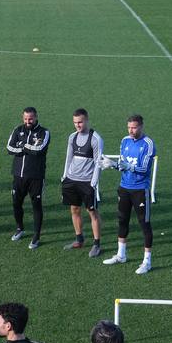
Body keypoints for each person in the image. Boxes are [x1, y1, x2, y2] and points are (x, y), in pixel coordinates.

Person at [101, 115, 156, 274]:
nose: (131, 131)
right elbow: (123, 165)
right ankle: (121, 254)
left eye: (134, 127)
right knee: (122, 220)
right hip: (124, 187)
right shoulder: (125, 141)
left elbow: (144, 169)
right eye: (129, 127)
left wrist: (126, 166)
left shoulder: (148, 144)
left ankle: (147, 262)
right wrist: (112, 165)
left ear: (141, 126)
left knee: (144, 224)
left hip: (140, 189)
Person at [60, 109, 103, 257]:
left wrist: (93, 182)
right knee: (74, 209)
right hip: (71, 180)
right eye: (75, 122)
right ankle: (79, 239)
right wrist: (65, 176)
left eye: (80, 122)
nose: (77, 125)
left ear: (87, 120)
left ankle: (97, 244)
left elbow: (98, 162)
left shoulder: (95, 138)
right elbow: (68, 157)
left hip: (87, 182)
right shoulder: (72, 137)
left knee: (92, 212)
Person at [5, 107, 50, 247]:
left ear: (36, 117)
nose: (27, 121)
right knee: (16, 203)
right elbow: (9, 148)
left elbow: (39, 149)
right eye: (25, 118)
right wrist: (27, 147)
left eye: (30, 118)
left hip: (36, 176)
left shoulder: (44, 132)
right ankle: (20, 228)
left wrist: (22, 145)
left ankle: (36, 236)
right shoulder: (18, 130)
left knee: (36, 205)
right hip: (18, 175)